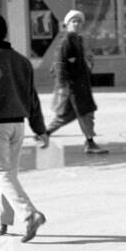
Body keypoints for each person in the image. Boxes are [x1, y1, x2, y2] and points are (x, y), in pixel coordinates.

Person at [0, 11, 50, 242]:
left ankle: (29, 215)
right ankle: (2, 221)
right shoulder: (22, 61)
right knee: (9, 174)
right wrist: (40, 129)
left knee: (1, 173)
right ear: (5, 32)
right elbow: (32, 99)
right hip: (18, 125)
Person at [45, 9, 103, 154]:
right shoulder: (66, 41)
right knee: (85, 113)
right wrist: (61, 85)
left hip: (81, 86)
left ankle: (44, 134)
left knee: (67, 115)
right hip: (73, 88)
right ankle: (90, 143)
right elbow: (59, 64)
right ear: (67, 24)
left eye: (79, 21)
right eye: (73, 21)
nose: (77, 24)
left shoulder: (78, 40)